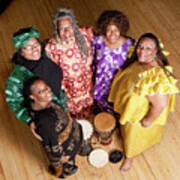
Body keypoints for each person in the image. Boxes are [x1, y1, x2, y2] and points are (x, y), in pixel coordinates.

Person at [108, 33, 179, 171]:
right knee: (125, 128)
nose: (142, 51)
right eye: (140, 47)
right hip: (132, 106)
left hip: (138, 117)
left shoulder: (154, 77)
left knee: (132, 138)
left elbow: (161, 104)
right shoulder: (141, 60)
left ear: (155, 52)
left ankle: (130, 156)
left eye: (148, 49)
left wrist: (148, 120)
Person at [5, 27, 68, 140]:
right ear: (21, 52)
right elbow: (14, 103)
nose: (34, 50)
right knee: (56, 140)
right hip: (47, 117)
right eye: (27, 47)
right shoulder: (16, 79)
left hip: (62, 102)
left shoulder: (46, 53)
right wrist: (29, 121)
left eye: (35, 44)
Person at [23, 77, 83, 178]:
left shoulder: (44, 103)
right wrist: (60, 158)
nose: (48, 90)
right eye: (41, 91)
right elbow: (52, 145)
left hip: (72, 131)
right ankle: (66, 170)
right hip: (66, 147)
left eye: (46, 87)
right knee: (68, 161)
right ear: (32, 97)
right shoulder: (45, 121)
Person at [45, 8, 94, 119]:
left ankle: (88, 116)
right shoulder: (52, 47)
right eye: (61, 29)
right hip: (69, 88)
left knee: (88, 107)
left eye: (68, 27)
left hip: (86, 83)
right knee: (74, 113)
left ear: (74, 27)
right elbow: (52, 70)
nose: (66, 32)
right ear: (57, 31)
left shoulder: (84, 35)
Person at [92, 10, 134, 114]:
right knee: (100, 103)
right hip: (100, 81)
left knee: (115, 103)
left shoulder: (130, 45)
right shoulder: (98, 41)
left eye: (116, 30)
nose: (112, 34)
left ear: (121, 29)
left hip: (117, 82)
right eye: (109, 30)